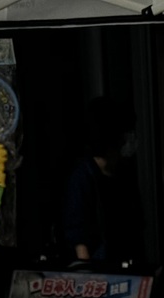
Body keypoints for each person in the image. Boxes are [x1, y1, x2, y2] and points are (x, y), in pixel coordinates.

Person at [61, 97, 140, 267]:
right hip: (100, 274)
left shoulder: (121, 175)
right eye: (125, 134)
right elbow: (79, 240)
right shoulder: (82, 178)